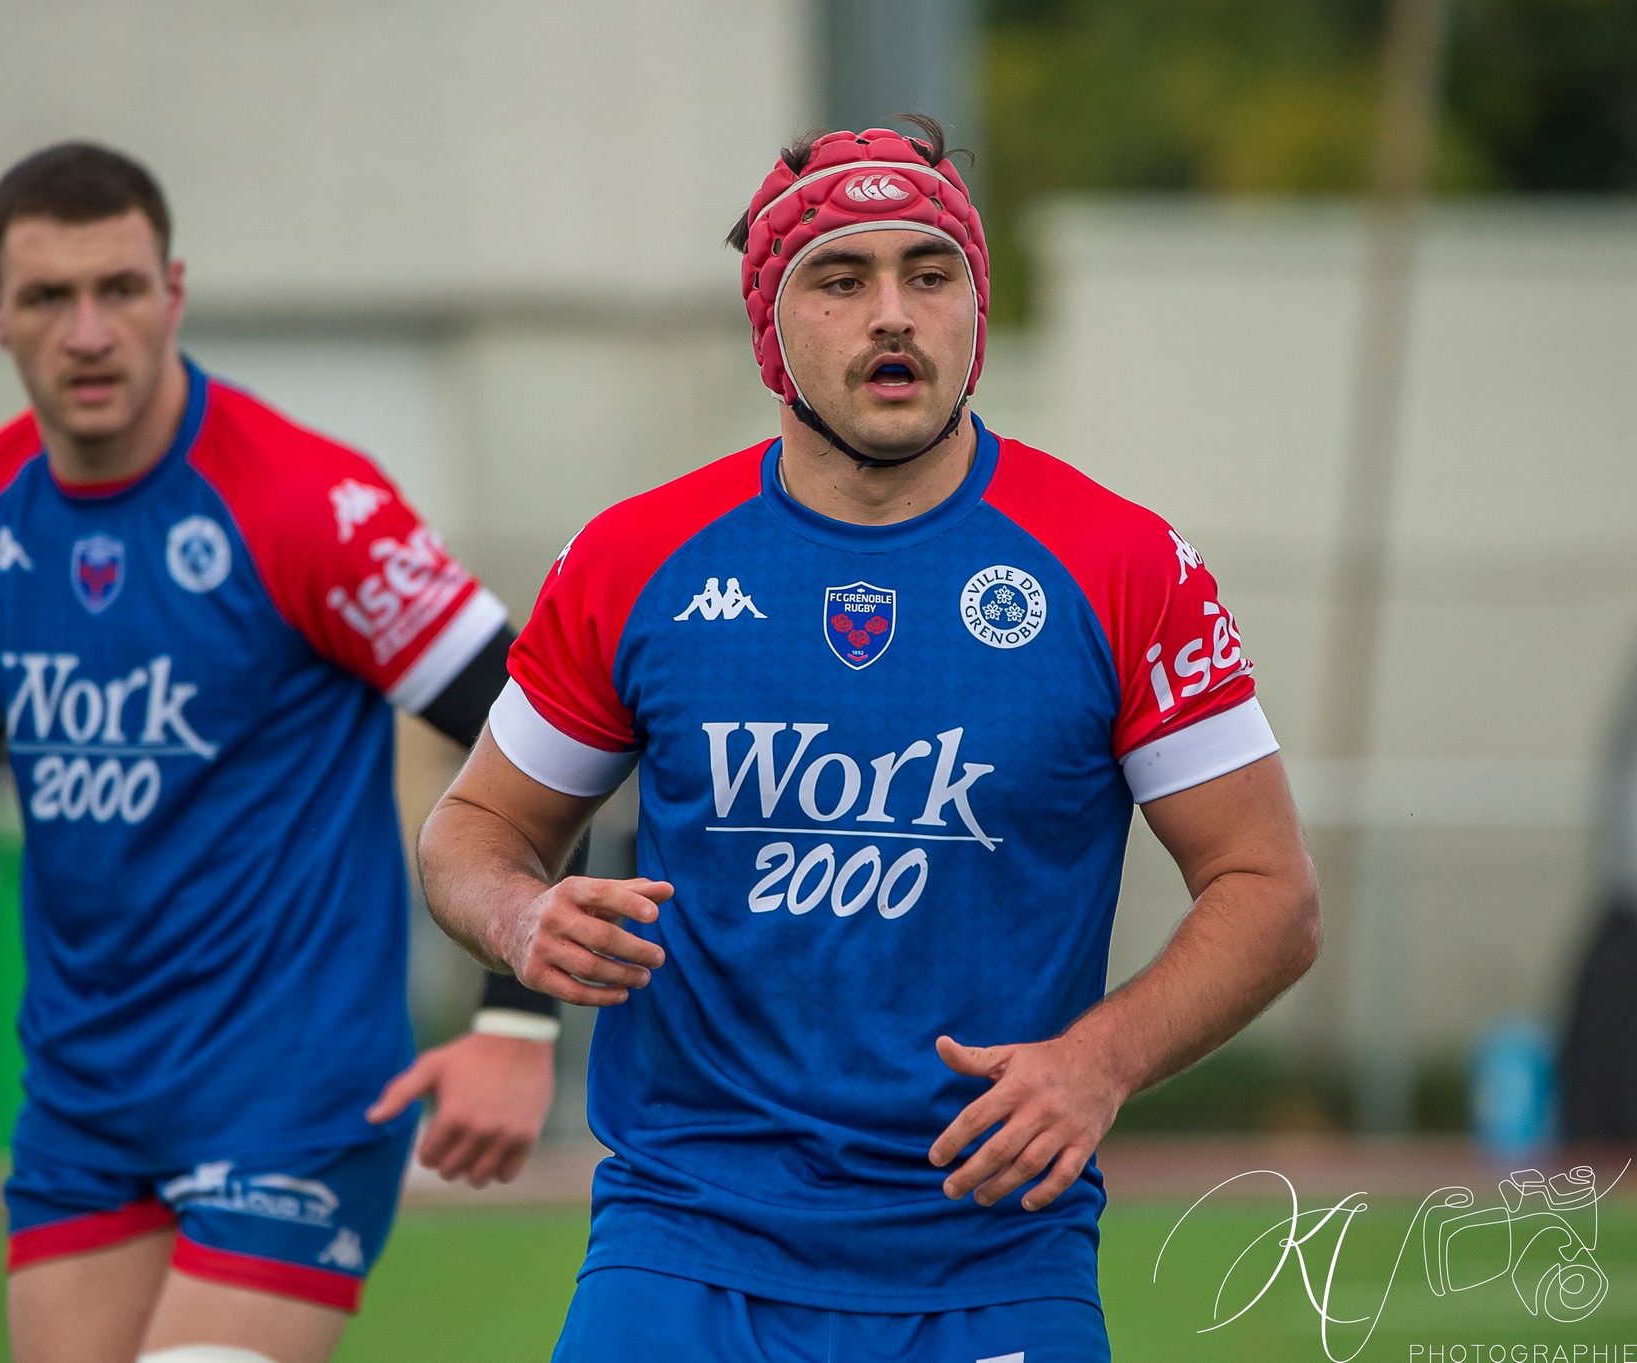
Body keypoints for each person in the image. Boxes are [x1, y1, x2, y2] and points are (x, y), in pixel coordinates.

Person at [418, 119, 1321, 1362]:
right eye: (840, 281)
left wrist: (1098, 1060)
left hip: (993, 1250)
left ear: (975, 306)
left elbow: (1268, 891)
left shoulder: (1119, 564)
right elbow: (472, 831)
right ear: (769, 327)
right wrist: (521, 922)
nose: (892, 313)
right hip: (685, 1237)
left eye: (927, 273)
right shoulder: (637, 560)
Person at [0, 143, 563, 1363]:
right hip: (85, 1104)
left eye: (120, 290)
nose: (89, 331)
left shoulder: (307, 503)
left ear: (172, 293)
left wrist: (514, 1021)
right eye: (47, 297)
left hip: (296, 1098)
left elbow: (545, 737)